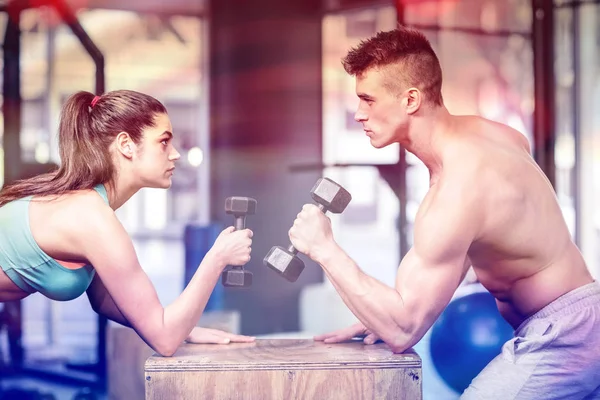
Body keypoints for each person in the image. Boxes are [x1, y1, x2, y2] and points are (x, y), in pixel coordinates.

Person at [288, 27, 600, 399]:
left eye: (368, 99)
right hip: (582, 319)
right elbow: (484, 241)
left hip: (565, 337)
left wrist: (323, 248)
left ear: (410, 100)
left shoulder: (457, 190)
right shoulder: (495, 136)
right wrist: (377, 314)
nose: (358, 114)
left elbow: (403, 332)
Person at [0, 90, 255, 357]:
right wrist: (217, 257)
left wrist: (186, 328)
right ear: (126, 145)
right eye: (164, 142)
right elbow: (165, 340)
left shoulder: (91, 206)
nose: (176, 154)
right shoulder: (93, 219)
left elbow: (105, 299)